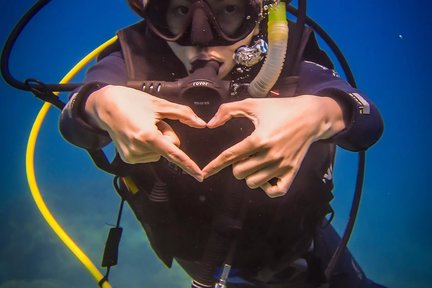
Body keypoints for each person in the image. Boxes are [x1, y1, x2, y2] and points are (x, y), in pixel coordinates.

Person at [59, 0, 385, 287]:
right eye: (181, 10)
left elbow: (366, 119)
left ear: (261, 12)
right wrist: (100, 103)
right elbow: (75, 119)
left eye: (229, 9)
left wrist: (322, 112)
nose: (202, 36)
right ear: (148, 9)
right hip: (202, 258)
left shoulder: (286, 57)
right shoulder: (133, 59)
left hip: (302, 242)